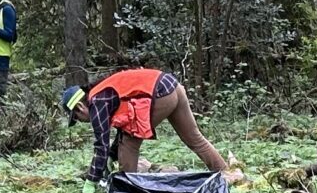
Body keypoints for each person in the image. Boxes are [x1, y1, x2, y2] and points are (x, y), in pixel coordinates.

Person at [64, 67, 234, 182]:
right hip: (172, 85)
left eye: (77, 118)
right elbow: (118, 130)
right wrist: (111, 156)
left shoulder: (97, 100)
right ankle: (226, 174)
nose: (81, 121)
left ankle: (128, 191)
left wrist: (92, 179)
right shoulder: (103, 91)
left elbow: (101, 143)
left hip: (159, 93)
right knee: (195, 138)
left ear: (80, 107)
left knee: (129, 143)